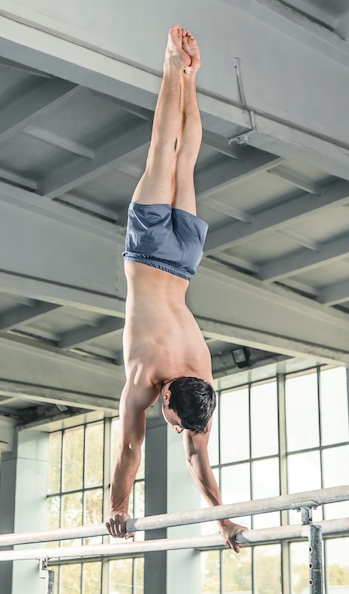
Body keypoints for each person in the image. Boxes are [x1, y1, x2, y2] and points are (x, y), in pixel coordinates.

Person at [105, 24, 246, 552]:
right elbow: (128, 453)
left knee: (185, 159)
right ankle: (171, 66)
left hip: (186, 261)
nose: (173, 425)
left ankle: (191, 76)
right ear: (167, 396)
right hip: (147, 254)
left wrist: (224, 519)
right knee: (163, 150)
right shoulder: (145, 380)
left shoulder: (203, 384)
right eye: (171, 417)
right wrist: (117, 507)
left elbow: (195, 453)